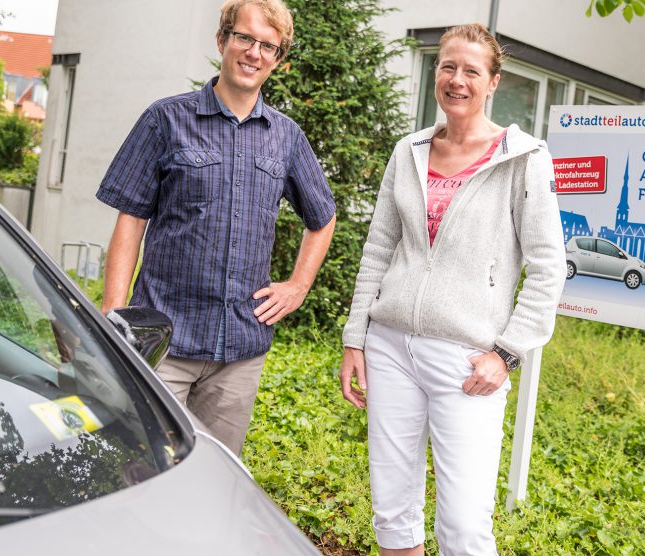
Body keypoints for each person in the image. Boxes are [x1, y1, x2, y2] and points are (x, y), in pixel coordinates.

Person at [338, 23, 565, 556]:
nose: (456, 79)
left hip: (468, 362)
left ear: (493, 82)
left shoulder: (523, 159)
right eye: (447, 67)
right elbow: (378, 250)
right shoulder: (409, 151)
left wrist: (506, 354)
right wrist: (356, 336)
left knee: (464, 527)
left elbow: (549, 265)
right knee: (392, 510)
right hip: (390, 347)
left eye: (470, 70)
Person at [97, 0, 335, 457]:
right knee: (145, 471)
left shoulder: (286, 137)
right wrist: (115, 316)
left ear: (278, 59)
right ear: (223, 40)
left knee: (216, 478)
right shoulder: (165, 119)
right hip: (164, 344)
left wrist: (298, 286)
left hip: (239, 354)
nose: (254, 53)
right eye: (245, 38)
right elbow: (130, 220)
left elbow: (322, 218)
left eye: (268, 46)